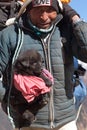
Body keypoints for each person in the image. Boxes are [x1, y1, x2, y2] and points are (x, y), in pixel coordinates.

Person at [0, 0, 87, 130]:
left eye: (50, 11)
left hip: (66, 120)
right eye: (38, 11)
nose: (44, 17)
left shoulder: (65, 32)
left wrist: (75, 19)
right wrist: (10, 101)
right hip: (29, 123)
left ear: (58, 11)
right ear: (28, 11)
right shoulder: (11, 35)